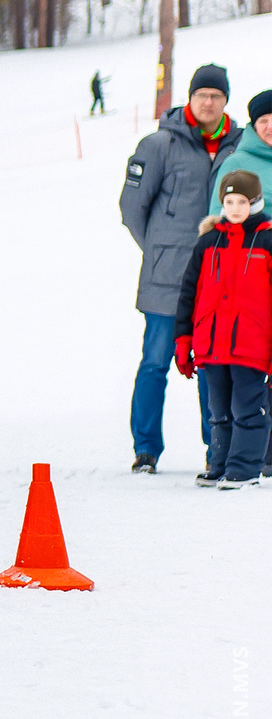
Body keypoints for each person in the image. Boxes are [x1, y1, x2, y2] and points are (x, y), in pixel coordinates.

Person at [122, 63, 239, 474]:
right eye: (202, 95)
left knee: (212, 365)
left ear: (226, 101)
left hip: (217, 280)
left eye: (217, 96)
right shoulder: (158, 144)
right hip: (166, 278)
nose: (209, 102)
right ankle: (146, 449)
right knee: (156, 361)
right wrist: (159, 250)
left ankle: (217, 447)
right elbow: (132, 208)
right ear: (190, 98)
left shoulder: (237, 147)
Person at [174, 170, 272, 488]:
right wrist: (183, 340)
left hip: (252, 345)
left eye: (242, 201)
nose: (234, 208)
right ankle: (219, 463)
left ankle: (243, 469)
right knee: (218, 409)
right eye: (229, 201)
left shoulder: (268, 241)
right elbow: (190, 292)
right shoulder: (208, 242)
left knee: (247, 409)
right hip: (212, 345)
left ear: (255, 202)